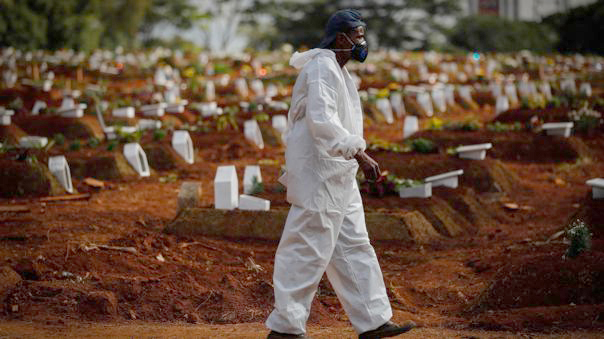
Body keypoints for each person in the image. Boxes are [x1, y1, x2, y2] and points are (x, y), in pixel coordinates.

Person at [265, 9, 416, 339]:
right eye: (358, 36)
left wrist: (352, 158)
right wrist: (359, 153)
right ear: (341, 38)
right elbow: (322, 121)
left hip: (339, 176)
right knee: (306, 248)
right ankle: (285, 328)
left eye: (363, 35)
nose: (362, 42)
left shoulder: (338, 70)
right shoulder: (321, 68)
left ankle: (373, 322)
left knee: (354, 247)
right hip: (320, 176)